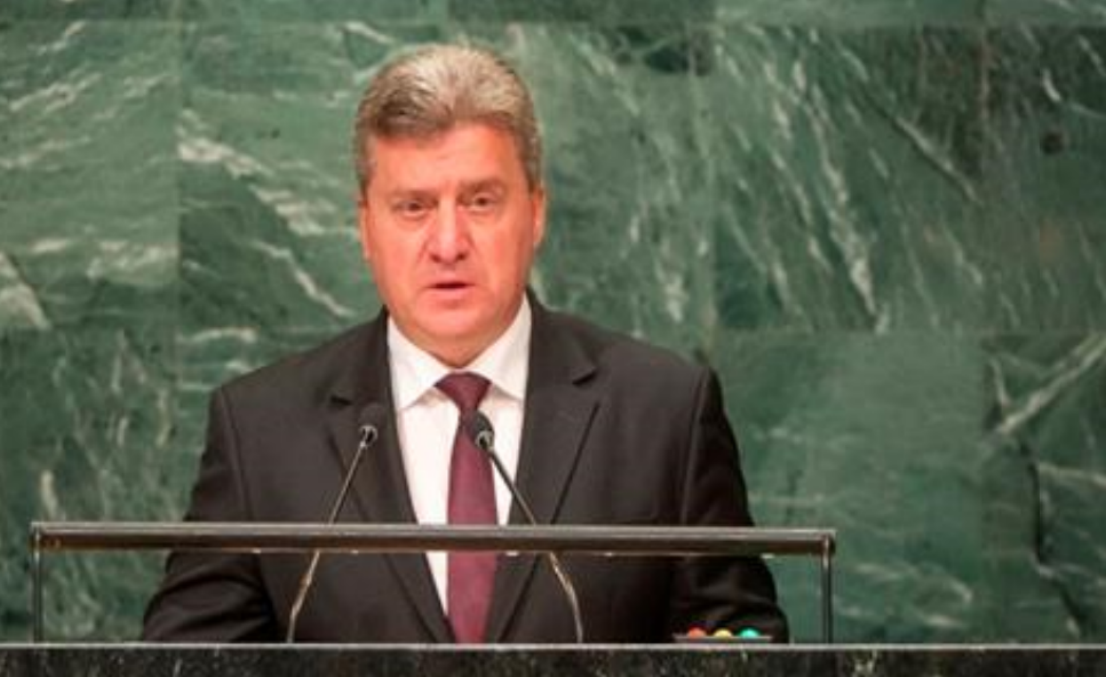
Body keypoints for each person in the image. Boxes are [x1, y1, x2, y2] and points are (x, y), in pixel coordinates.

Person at [142, 43, 787, 643]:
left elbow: (745, 638)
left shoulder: (664, 412)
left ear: (536, 211)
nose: (448, 243)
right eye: (413, 207)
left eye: (480, 201)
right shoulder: (263, 431)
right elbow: (182, 658)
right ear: (366, 226)